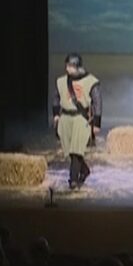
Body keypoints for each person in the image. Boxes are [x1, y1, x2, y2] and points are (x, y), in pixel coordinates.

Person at [53, 53, 102, 189]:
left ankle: (73, 180)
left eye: (70, 66)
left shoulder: (91, 81)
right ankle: (84, 170)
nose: (67, 68)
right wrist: (56, 115)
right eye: (67, 65)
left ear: (77, 66)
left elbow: (97, 102)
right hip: (65, 118)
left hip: (81, 119)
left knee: (76, 150)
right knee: (70, 150)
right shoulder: (61, 81)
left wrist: (96, 123)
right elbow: (56, 98)